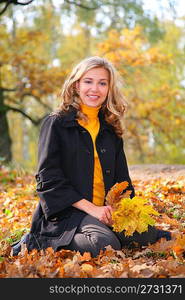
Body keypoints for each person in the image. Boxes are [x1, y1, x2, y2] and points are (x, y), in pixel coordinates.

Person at [12, 56, 171, 257]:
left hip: (104, 210)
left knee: (148, 234)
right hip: (67, 213)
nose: (94, 89)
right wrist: (93, 210)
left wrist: (125, 212)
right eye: (88, 81)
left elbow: (123, 181)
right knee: (104, 245)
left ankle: (111, 230)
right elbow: (48, 180)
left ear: (109, 89)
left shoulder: (110, 129)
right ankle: (36, 241)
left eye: (102, 83)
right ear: (76, 85)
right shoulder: (57, 124)